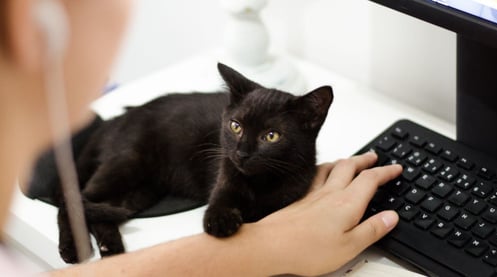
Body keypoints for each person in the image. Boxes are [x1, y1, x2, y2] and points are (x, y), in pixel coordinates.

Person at [0, 0, 402, 276]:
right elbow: (219, 214)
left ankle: (96, 214)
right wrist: (269, 247)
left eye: (269, 135)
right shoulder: (230, 153)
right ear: (33, 22)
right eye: (237, 129)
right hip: (153, 131)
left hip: (167, 169)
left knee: (132, 199)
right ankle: (77, 208)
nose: (240, 148)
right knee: (123, 172)